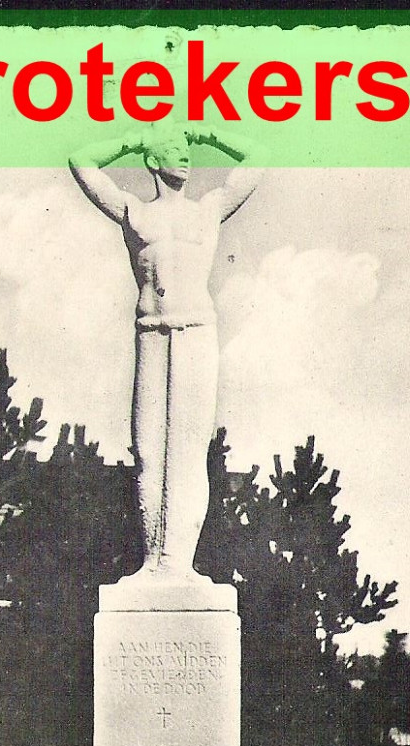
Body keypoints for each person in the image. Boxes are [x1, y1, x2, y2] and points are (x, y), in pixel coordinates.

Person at [69, 126, 264, 584]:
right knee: (150, 451)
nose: (186, 158)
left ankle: (179, 563)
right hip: (152, 333)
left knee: (189, 452)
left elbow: (258, 157)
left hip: (195, 330)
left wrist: (210, 135)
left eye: (188, 151)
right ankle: (153, 561)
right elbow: (81, 160)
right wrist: (134, 141)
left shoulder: (208, 211)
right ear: (153, 162)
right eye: (174, 151)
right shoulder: (135, 213)